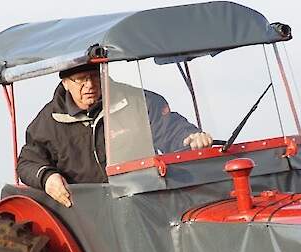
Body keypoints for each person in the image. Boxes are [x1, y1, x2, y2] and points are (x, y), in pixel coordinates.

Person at [16, 64, 212, 207]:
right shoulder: (48, 121)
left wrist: (191, 137)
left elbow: (170, 129)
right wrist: (47, 178)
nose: (90, 85)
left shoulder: (138, 103)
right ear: (66, 83)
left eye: (94, 76)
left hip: (143, 200)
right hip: (82, 211)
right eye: (81, 79)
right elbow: (27, 162)